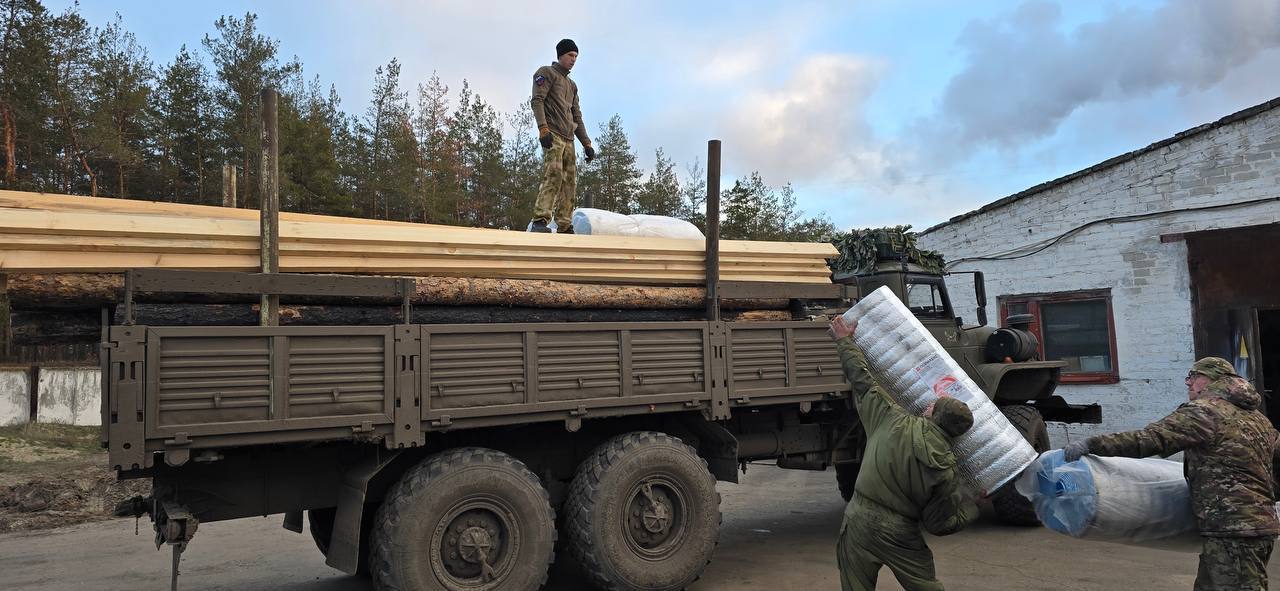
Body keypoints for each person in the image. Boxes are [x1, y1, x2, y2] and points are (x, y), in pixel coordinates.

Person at [1062, 356, 1279, 591]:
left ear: (1210, 379)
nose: (1188, 383)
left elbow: (1149, 439)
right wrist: (1264, 499)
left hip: (1233, 529)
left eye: (1193, 376)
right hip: (1250, 527)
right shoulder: (1258, 419)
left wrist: (1093, 444)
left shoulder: (1204, 412)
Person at [829, 315, 978, 591]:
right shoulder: (946, 471)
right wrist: (971, 506)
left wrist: (844, 341)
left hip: (859, 519)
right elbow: (939, 524)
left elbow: (862, 380)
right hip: (900, 533)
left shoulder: (892, 418)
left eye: (934, 405)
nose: (929, 405)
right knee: (926, 586)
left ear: (934, 415)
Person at [528, 38, 594, 234]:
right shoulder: (546, 73)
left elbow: (577, 116)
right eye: (570, 55)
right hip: (553, 134)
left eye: (576, 56)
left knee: (570, 181)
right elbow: (537, 100)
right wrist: (543, 129)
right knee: (554, 175)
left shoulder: (572, 85)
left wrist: (587, 143)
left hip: (569, 138)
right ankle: (540, 220)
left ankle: (565, 224)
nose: (573, 60)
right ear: (561, 55)